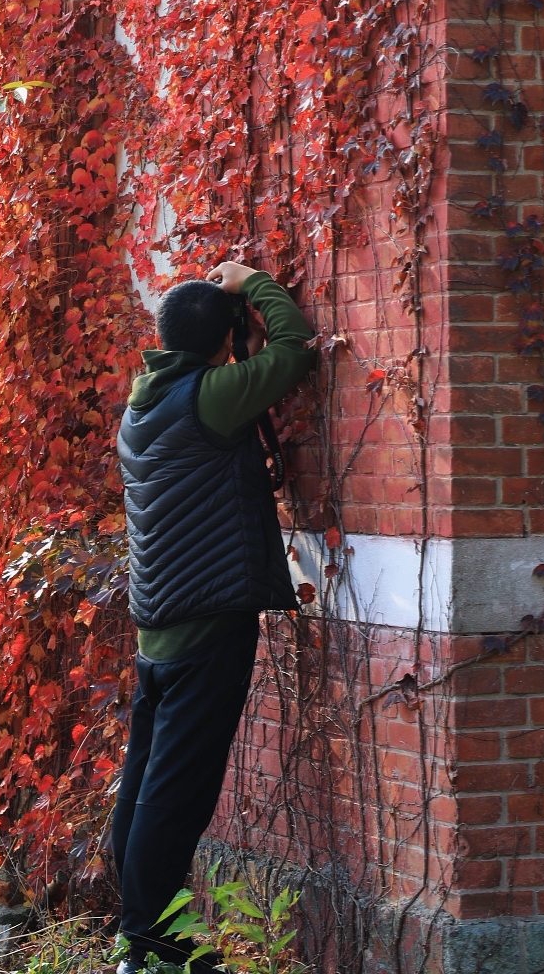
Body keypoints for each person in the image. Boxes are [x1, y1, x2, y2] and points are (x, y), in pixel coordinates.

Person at [112, 259, 314, 972]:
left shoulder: (143, 400)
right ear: (218, 338)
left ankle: (138, 936)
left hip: (160, 626)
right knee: (178, 793)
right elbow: (293, 349)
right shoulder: (210, 397)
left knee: (144, 784)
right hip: (205, 625)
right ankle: (154, 947)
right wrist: (254, 283)